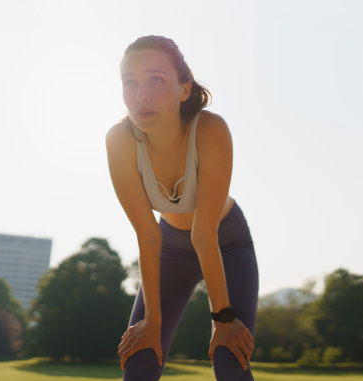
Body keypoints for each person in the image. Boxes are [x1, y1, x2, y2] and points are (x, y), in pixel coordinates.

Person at [105, 35, 259, 381]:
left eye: (156, 79)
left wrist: (222, 320)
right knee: (140, 358)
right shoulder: (120, 140)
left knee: (230, 358)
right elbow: (147, 236)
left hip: (227, 243)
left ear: (184, 89)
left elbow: (205, 235)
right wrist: (151, 322)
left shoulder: (211, 129)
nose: (141, 94)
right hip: (168, 248)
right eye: (130, 82)